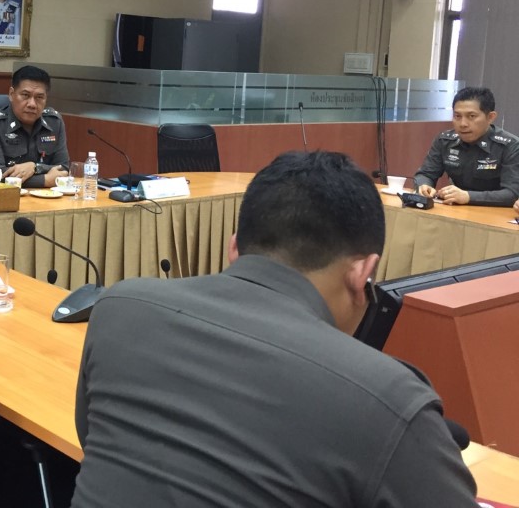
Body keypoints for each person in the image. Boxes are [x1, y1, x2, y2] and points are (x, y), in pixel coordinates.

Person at [71, 151, 477, 507]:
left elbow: (94, 441)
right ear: (363, 273)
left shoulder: (120, 308)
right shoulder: (390, 398)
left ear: (234, 248)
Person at [414, 86, 519, 206]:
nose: (463, 124)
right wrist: (424, 186)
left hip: (495, 213)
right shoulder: (445, 140)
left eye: (471, 116)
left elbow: (512, 194)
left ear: (490, 117)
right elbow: (426, 174)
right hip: (455, 210)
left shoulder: (510, 146)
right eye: (457, 116)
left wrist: (468, 196)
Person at [0, 65, 69, 189]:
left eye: (39, 97)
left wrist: (35, 167)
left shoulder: (54, 122)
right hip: (2, 196)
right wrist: (45, 180)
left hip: (46, 197)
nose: (32, 104)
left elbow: (63, 169)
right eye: (25, 95)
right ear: (11, 94)